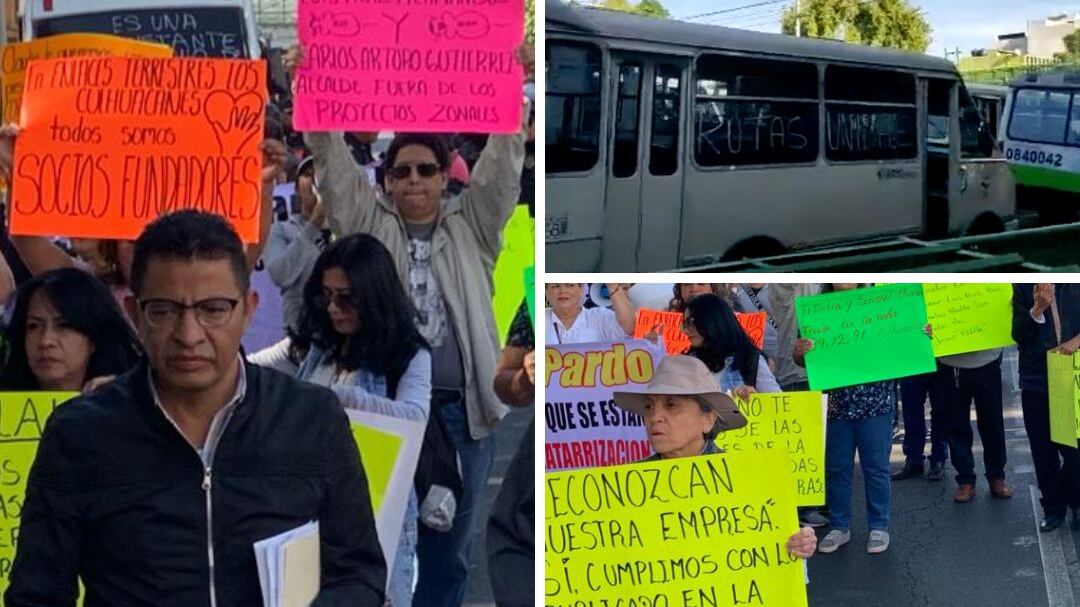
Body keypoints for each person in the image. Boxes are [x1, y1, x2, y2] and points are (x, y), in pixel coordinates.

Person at [5, 211, 386, 606]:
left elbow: (358, 571)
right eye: (164, 310)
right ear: (135, 315)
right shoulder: (79, 434)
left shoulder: (312, 419)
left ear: (248, 310)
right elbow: (38, 593)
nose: (189, 335)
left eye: (213, 309)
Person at [250, 233, 431, 607]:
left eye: (346, 298)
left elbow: (414, 417)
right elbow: (250, 369)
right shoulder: (312, 346)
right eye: (325, 295)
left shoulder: (408, 354)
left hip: (376, 511)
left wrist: (333, 400)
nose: (333, 308)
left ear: (374, 295)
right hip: (303, 511)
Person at [610, 354, 817, 557]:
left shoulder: (747, 480)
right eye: (649, 407)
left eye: (671, 405)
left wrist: (797, 543)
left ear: (708, 419)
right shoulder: (628, 487)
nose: (655, 417)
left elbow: (773, 554)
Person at [795, 283, 898, 555]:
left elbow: (903, 339)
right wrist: (799, 351)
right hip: (835, 406)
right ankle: (840, 526)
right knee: (836, 468)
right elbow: (799, 358)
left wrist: (919, 336)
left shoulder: (878, 301)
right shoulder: (816, 310)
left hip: (874, 403)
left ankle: (879, 526)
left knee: (876, 467)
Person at [0, 268, 142, 391]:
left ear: (93, 338)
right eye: (33, 326)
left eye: (63, 326)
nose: (45, 341)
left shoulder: (132, 401)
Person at [1013, 283, 1080, 531]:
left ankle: (1075, 499)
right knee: (1043, 452)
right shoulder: (1021, 287)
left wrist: (1077, 341)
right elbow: (1018, 334)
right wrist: (1037, 310)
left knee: (1074, 450)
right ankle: (1053, 508)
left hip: (1071, 376)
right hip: (1036, 381)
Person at [487, 300, 534, 607]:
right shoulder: (543, 297)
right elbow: (503, 379)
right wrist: (524, 379)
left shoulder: (673, 291)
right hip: (559, 456)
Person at [263, 156, 326, 334]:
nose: (315, 180)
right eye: (308, 174)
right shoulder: (280, 229)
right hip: (299, 338)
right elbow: (280, 275)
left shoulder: (348, 229)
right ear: (297, 189)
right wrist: (313, 225)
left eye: (321, 173)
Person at [939, 348, 1012, 502]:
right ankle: (965, 479)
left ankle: (996, 475)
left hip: (987, 358)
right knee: (956, 424)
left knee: (992, 422)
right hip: (951, 362)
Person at [683, 293, 781, 397]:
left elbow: (778, 403)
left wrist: (756, 398)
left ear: (712, 321)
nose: (685, 330)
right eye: (684, 323)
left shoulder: (750, 360)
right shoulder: (688, 362)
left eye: (690, 322)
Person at [892, 369, 949, 481]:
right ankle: (914, 460)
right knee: (911, 410)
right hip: (911, 360)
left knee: (940, 412)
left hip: (939, 360)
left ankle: (938, 459)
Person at [546, 283, 634, 344]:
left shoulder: (599, 316)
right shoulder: (535, 318)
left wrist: (612, 286)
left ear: (581, 290)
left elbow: (629, 328)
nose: (562, 291)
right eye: (555, 286)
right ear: (547, 292)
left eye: (570, 285)